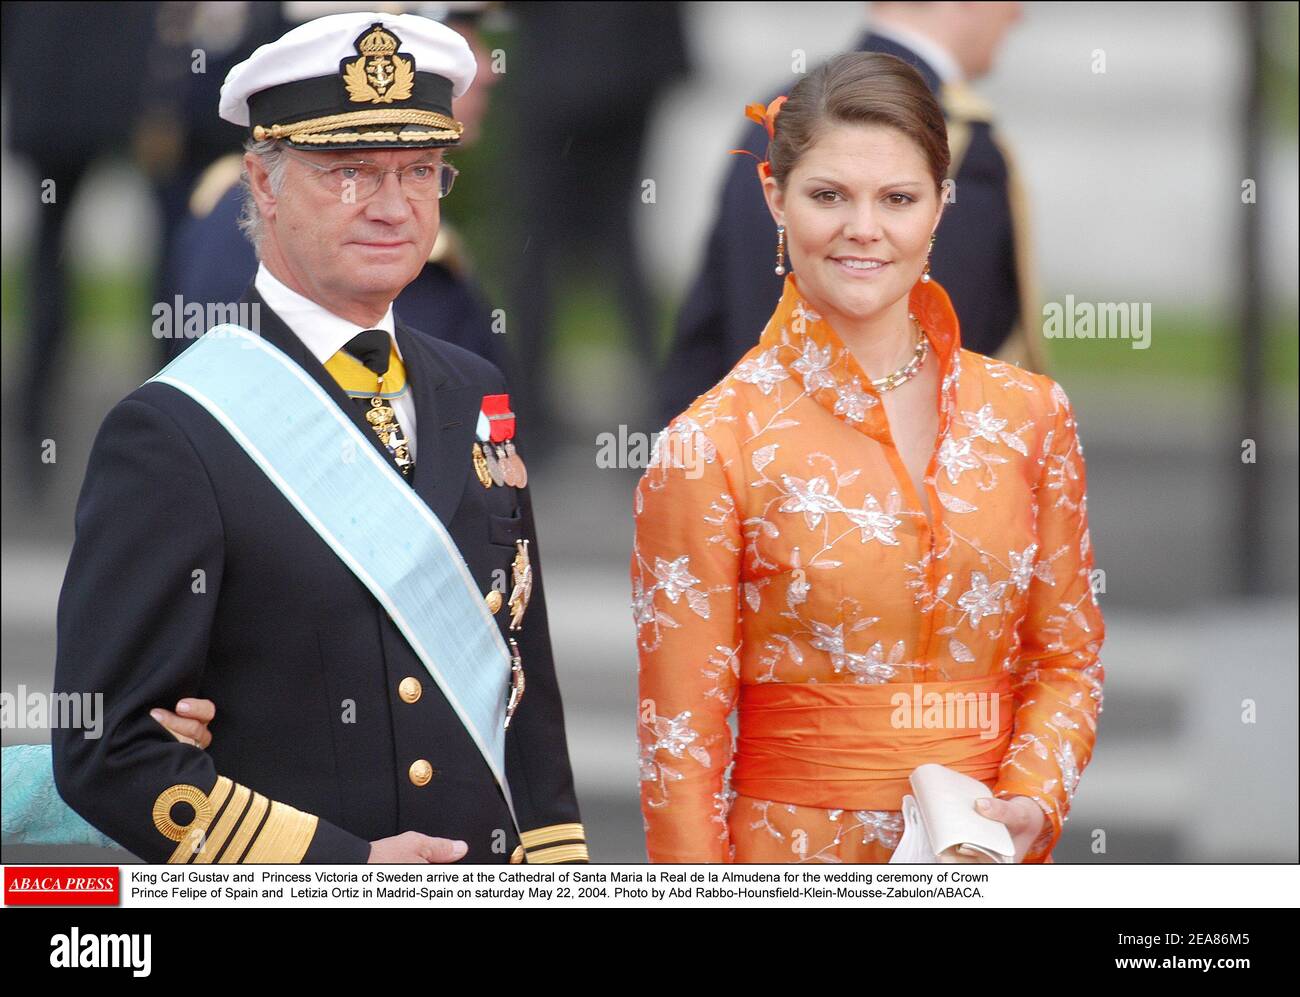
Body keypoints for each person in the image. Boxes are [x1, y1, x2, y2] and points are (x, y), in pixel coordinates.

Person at [52, 12, 587, 865]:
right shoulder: (174, 428)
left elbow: (524, 682)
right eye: (350, 173)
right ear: (261, 186)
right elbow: (106, 750)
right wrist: (344, 868)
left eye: (419, 171)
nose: (392, 205)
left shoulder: (472, 387)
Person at [631, 52, 1104, 864]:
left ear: (941, 204)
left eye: (897, 198)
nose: (864, 229)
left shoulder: (1030, 414)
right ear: (774, 197)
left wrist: (1032, 795)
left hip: (987, 856)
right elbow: (680, 743)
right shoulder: (710, 445)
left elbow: (1066, 655)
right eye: (828, 196)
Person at [657, 1, 1040, 428]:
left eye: (895, 200)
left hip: (745, 455)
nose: (1019, 14)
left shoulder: (779, 108)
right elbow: (959, 354)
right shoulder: (960, 140)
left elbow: (703, 338)